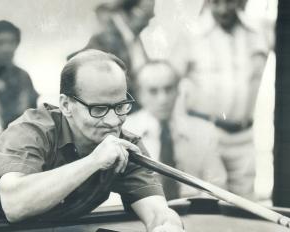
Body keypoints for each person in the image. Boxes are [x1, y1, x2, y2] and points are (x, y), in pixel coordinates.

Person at [0, 49, 184, 231]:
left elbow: (158, 213)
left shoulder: (125, 146)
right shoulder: (31, 131)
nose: (113, 121)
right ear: (67, 105)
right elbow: (15, 204)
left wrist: (166, 226)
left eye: (120, 106)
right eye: (98, 109)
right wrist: (93, 162)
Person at [169, 0, 269, 199]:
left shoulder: (259, 31)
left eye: (229, 1)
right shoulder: (191, 33)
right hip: (205, 133)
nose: (223, 9)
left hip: (244, 135)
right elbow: (171, 83)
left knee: (246, 205)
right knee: (207, 203)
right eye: (216, 2)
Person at [123, 61, 227, 199]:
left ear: (178, 90)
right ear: (140, 94)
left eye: (168, 89)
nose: (163, 99)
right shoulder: (125, 131)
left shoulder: (203, 131)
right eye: (153, 91)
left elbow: (217, 186)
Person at [69, 0, 154, 112]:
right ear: (127, 13)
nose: (152, 16)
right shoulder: (102, 43)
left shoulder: (134, 39)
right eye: (147, 12)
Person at [0, 20, 38, 128]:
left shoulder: (23, 76)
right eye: (0, 43)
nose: (7, 49)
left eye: (12, 42)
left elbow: (32, 112)